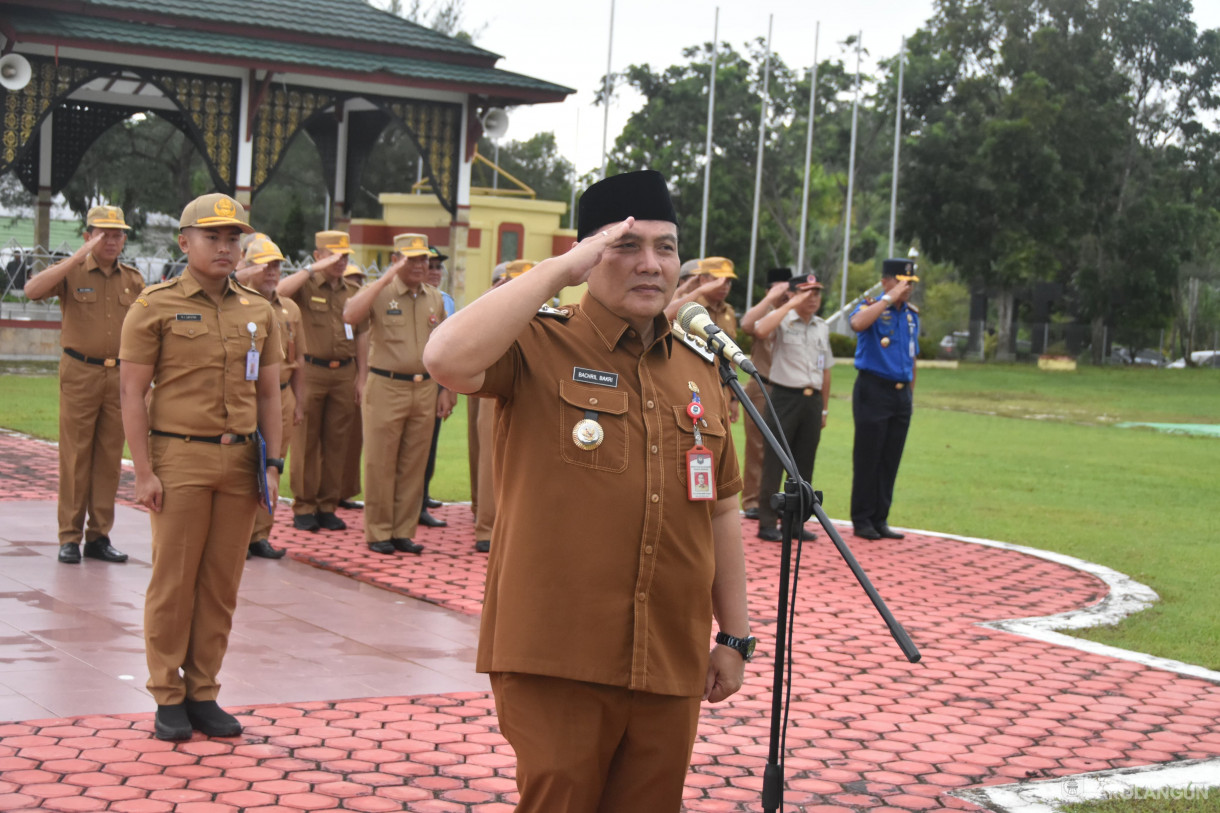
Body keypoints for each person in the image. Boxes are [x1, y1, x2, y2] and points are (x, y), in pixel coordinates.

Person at [424, 169, 752, 813]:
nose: (650, 264)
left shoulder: (698, 363)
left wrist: (734, 636)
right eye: (626, 246)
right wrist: (557, 271)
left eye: (665, 246)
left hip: (669, 653)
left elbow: (720, 506)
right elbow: (445, 359)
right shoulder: (540, 339)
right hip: (558, 651)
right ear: (588, 253)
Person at [119, 193, 282, 741]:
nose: (225, 247)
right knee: (174, 580)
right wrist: (143, 471)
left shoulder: (259, 309)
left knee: (219, 585)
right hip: (179, 455)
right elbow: (132, 392)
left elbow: (270, 395)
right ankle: (167, 693)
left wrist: (275, 465)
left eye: (234, 238)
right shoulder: (153, 305)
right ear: (184, 242)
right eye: (213, 237)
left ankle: (203, 690)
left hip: (240, 460)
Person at [24, 205, 145, 565]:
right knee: (75, 456)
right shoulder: (72, 272)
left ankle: (99, 536)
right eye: (103, 233)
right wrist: (77, 256)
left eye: (118, 233)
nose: (112, 240)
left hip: (119, 376)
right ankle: (69, 537)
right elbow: (32, 290)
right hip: (79, 372)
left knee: (109, 459)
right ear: (88, 235)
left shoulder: (133, 279)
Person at [343, 233, 455, 555]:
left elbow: (445, 346)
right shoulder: (380, 293)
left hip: (424, 387)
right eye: (412, 259)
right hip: (386, 385)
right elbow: (351, 315)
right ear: (395, 260)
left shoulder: (434, 297)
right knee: (381, 462)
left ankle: (403, 531)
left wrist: (446, 388)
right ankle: (379, 531)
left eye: (424, 259)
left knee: (413, 464)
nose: (421, 265)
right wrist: (386, 277)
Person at [276, 230, 366, 533]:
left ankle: (328, 505)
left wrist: (362, 376)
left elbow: (363, 333)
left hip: (344, 371)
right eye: (335, 255)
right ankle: (304, 505)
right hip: (311, 370)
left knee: (337, 441)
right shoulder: (305, 285)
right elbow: (278, 293)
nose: (342, 261)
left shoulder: (351, 291)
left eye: (346, 256)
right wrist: (309, 270)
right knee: (306, 442)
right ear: (318, 256)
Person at [744, 273, 833, 542]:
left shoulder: (821, 326)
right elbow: (759, 329)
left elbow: (825, 370)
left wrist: (824, 409)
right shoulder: (783, 320)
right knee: (774, 461)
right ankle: (768, 522)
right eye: (806, 292)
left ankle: (795, 523)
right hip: (784, 396)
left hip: (811, 399)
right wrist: (789, 304)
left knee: (804, 464)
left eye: (817, 293)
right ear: (794, 294)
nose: (813, 298)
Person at [235, 234, 306, 559]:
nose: (272, 271)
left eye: (277, 265)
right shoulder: (236, 303)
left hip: (281, 394)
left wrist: (299, 401)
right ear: (246, 267)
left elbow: (299, 359)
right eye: (264, 265)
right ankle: (238, 534)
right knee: (242, 465)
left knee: (273, 463)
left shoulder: (289, 308)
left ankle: (260, 534)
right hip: (246, 396)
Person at [849, 258, 920, 540]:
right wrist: (887, 299)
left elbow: (912, 357)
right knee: (869, 456)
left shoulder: (912, 315)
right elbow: (856, 323)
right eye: (903, 282)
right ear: (887, 281)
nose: (908, 289)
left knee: (891, 457)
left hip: (900, 393)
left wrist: (910, 394)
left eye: (911, 283)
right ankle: (863, 518)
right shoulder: (872, 308)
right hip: (873, 389)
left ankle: (881, 517)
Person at [738, 267, 793, 520]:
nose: (785, 293)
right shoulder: (765, 313)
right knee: (757, 446)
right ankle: (752, 500)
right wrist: (771, 298)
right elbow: (747, 324)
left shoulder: (794, 313)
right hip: (763, 385)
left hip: (787, 388)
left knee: (784, 447)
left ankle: (775, 499)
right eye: (779, 288)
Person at [418, 246, 455, 528]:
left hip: (432, 382)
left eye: (437, 267)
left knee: (428, 445)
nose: (434, 271)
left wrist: (447, 388)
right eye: (429, 266)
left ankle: (421, 497)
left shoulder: (446, 301)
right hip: (406, 380)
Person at [338, 262, 367, 511]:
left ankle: (345, 491)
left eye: (360, 279)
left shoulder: (364, 304)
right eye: (352, 279)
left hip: (354, 372)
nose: (356, 283)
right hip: (329, 371)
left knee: (352, 439)